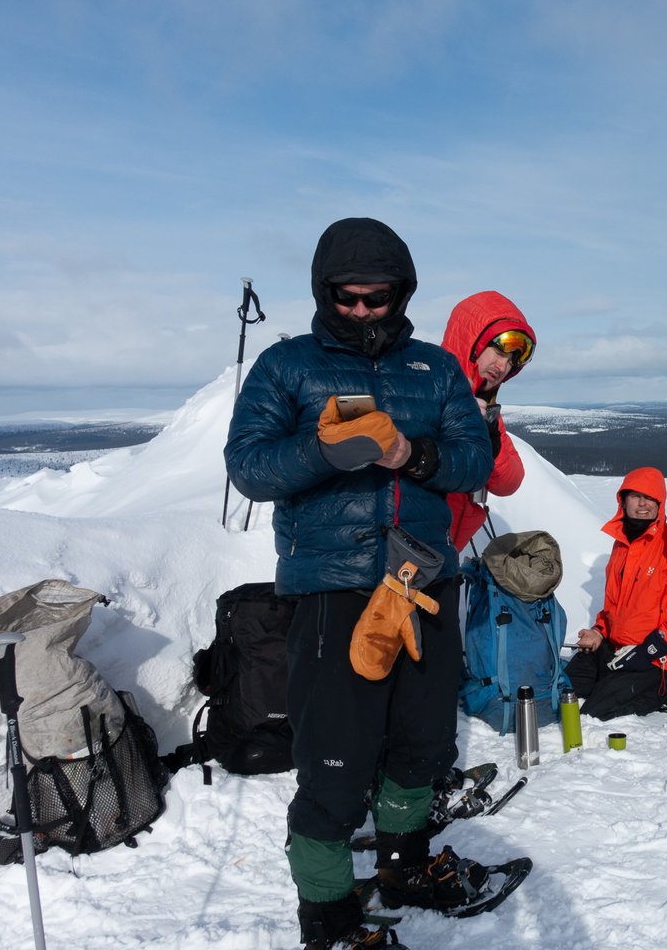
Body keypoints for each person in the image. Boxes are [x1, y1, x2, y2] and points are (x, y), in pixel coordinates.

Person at [225, 217, 495, 950]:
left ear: (400, 293)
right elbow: (248, 467)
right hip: (333, 586)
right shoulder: (286, 367)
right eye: (348, 299)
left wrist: (413, 453)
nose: (362, 313)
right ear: (324, 291)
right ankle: (331, 918)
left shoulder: (436, 370)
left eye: (378, 300)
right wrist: (322, 450)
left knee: (421, 744)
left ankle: (405, 866)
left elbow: (475, 458)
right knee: (336, 762)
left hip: (424, 578)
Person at [565, 467, 667, 720]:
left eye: (650, 497)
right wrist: (599, 632)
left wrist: (648, 650)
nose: (643, 504)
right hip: (615, 650)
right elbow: (613, 606)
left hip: (654, 659)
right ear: (623, 501)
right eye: (635, 496)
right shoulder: (621, 545)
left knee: (593, 711)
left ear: (659, 502)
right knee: (566, 690)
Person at [439, 291, 536, 554]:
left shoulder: (488, 409)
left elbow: (510, 482)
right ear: (473, 341)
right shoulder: (425, 389)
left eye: (513, 360)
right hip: (406, 552)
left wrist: (491, 443)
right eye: (499, 348)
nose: (503, 365)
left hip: (446, 553)